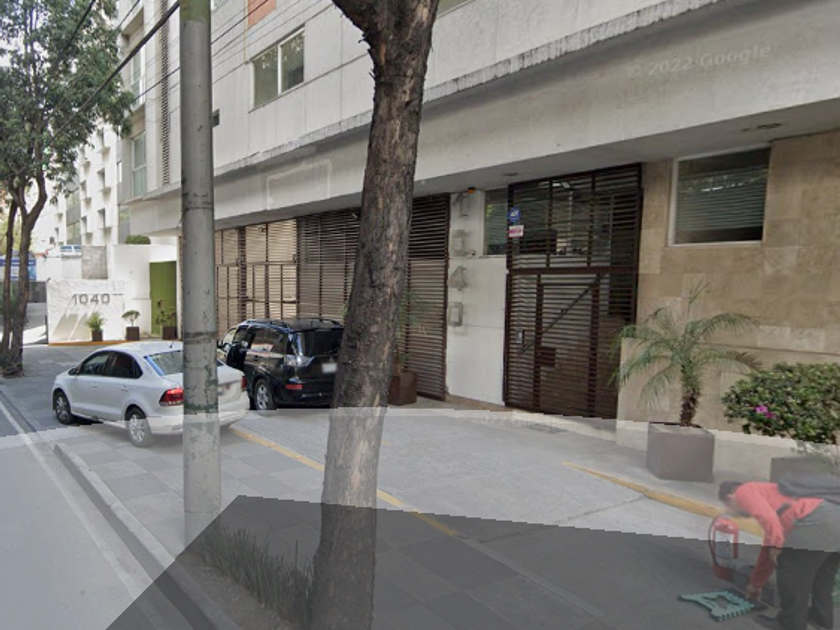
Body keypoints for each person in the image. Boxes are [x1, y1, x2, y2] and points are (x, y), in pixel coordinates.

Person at [719, 480, 840, 630]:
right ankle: (820, 618)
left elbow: (770, 522)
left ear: (730, 497)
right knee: (823, 574)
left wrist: (776, 546)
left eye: (728, 505)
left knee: (792, 573)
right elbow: (768, 544)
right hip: (835, 515)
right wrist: (756, 583)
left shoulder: (743, 492)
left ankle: (789, 624)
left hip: (817, 519)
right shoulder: (769, 494)